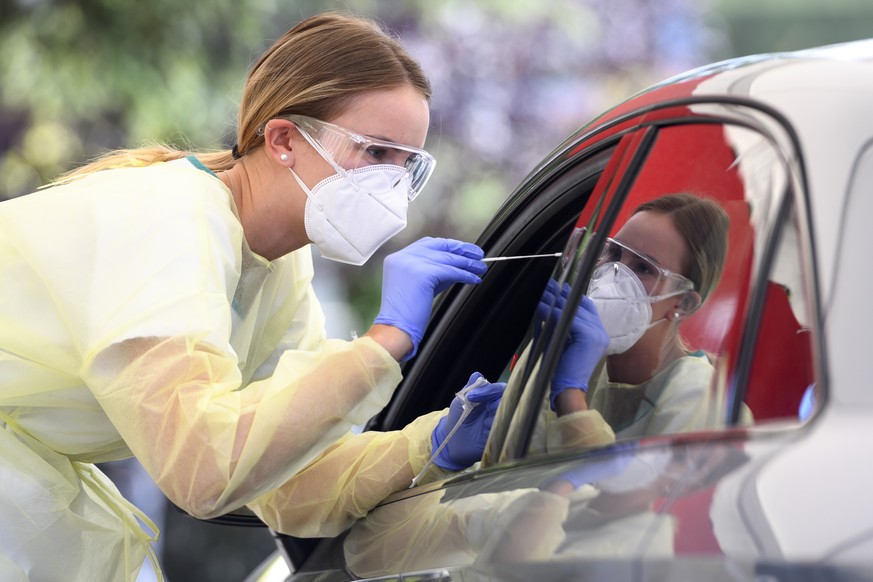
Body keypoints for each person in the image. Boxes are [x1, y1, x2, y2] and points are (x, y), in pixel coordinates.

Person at [0, 12, 503, 582]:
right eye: (376, 152)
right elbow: (201, 471)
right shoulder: (168, 218)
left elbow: (292, 487)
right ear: (284, 138)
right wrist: (383, 343)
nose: (392, 183)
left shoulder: (280, 268)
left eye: (407, 163)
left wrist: (429, 442)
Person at [538, 193, 736, 450]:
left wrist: (571, 400)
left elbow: (619, 489)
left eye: (643, 268)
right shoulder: (569, 351)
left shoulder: (702, 399)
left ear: (683, 303)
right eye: (614, 252)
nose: (613, 274)